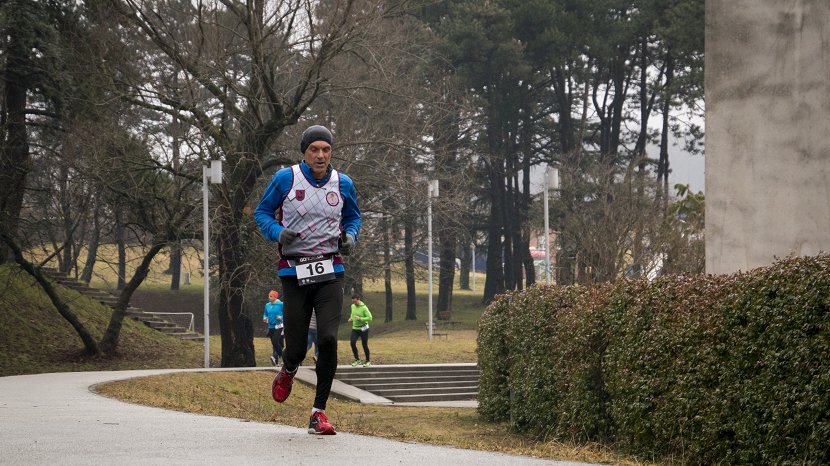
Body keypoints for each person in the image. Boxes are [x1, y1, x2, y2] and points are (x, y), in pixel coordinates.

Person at [254, 124, 360, 436]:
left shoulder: (343, 183)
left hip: (331, 270)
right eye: (314, 149)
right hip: (294, 271)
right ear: (305, 152)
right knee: (298, 348)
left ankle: (318, 412)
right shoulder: (285, 178)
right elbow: (262, 213)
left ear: (331, 152)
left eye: (326, 149)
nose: (320, 155)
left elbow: (353, 217)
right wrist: (277, 232)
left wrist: (350, 236)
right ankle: (288, 369)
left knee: (327, 339)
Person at [348, 294, 373, 367]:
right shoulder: (352, 306)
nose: (354, 303)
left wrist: (360, 318)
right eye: (353, 302)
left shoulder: (364, 308)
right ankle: (357, 360)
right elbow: (353, 313)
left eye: (355, 302)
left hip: (363, 329)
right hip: (355, 329)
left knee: (364, 345)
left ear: (358, 299)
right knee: (352, 343)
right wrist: (351, 318)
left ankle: (368, 361)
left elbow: (370, 317)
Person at [262, 290, 284, 366]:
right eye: (268, 296)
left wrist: (281, 317)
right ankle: (276, 361)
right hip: (270, 326)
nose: (269, 297)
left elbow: (287, 313)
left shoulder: (281, 304)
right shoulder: (267, 305)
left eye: (271, 296)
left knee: (275, 341)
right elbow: (265, 313)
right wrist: (264, 318)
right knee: (275, 344)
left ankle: (283, 357)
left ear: (275, 297)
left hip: (279, 326)